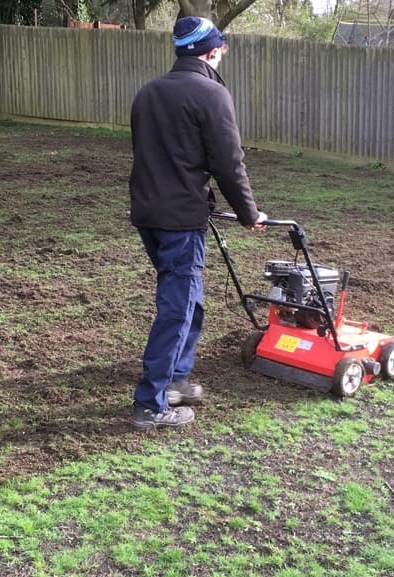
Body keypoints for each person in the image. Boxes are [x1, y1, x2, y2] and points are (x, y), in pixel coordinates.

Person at [128, 16, 267, 431]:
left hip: (148, 214)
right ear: (211, 51)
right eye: (221, 48)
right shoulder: (212, 94)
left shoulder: (148, 92)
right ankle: (151, 404)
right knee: (177, 306)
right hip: (180, 220)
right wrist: (249, 214)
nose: (222, 54)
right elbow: (229, 164)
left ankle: (176, 379)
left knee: (189, 297)